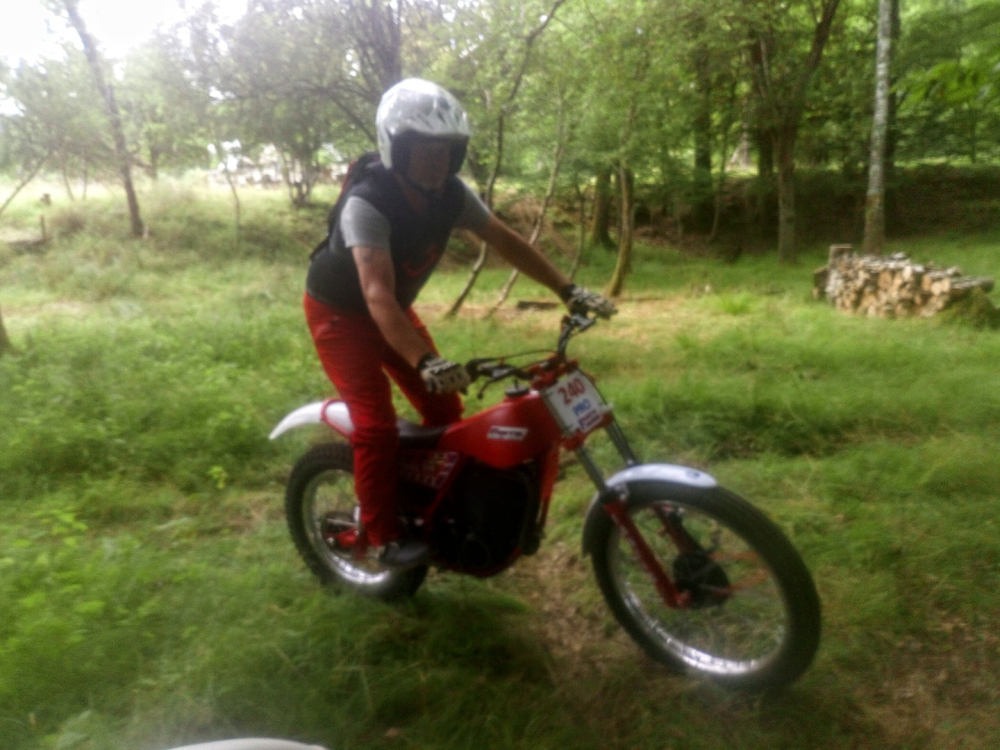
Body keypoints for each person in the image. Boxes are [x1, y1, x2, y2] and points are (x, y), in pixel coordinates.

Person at [304, 78, 615, 571]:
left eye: (447, 150)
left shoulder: (451, 196)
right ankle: (383, 537)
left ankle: (437, 505)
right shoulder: (368, 203)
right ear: (397, 148)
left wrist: (566, 289)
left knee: (445, 408)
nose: (438, 161)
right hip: (341, 315)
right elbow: (376, 294)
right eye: (425, 150)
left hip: (392, 311)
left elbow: (505, 240)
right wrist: (425, 360)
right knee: (376, 425)